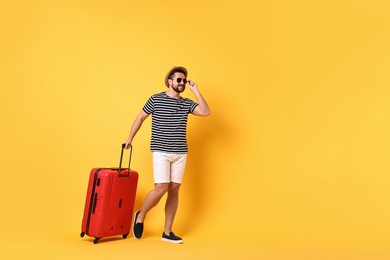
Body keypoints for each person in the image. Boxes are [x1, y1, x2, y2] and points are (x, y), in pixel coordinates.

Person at [124, 66, 210, 244]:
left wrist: (196, 90)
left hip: (180, 153)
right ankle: (140, 215)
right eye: (179, 79)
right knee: (161, 187)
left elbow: (205, 112)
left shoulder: (186, 103)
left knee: (174, 190)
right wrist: (130, 138)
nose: (182, 83)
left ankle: (167, 232)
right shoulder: (155, 99)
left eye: (184, 80)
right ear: (169, 81)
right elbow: (140, 118)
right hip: (161, 151)